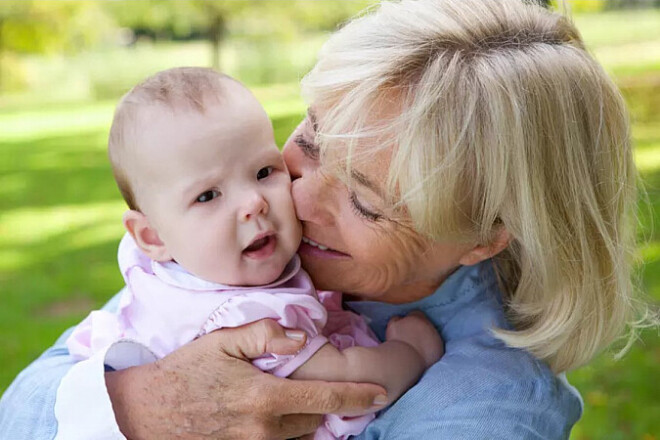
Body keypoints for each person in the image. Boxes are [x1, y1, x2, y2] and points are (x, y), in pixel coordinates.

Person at [0, 0, 650, 438]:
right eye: (308, 145)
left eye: (366, 202)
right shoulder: (233, 263)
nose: (294, 202)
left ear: (482, 237)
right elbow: (18, 411)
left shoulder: (483, 405)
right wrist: (141, 408)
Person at [54, 67, 442, 440]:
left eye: (263, 172)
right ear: (152, 235)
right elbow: (347, 381)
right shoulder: (251, 317)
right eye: (208, 195)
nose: (253, 203)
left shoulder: (166, 276)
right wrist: (410, 352)